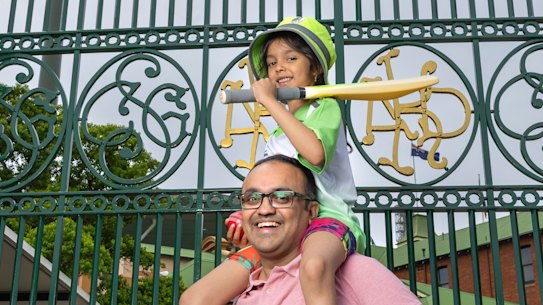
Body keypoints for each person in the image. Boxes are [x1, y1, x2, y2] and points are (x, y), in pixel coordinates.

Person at [181, 16, 365, 305]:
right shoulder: (280, 131)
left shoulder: (325, 108)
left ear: (315, 68)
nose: (279, 67)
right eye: (271, 62)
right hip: (282, 233)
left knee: (314, 268)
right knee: (196, 298)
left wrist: (268, 102)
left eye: (291, 57)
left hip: (327, 223)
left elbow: (314, 155)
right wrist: (246, 219)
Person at [234, 155, 422, 304]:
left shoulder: (354, 272)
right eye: (252, 199)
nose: (265, 209)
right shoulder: (240, 292)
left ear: (312, 212)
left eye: (282, 197)